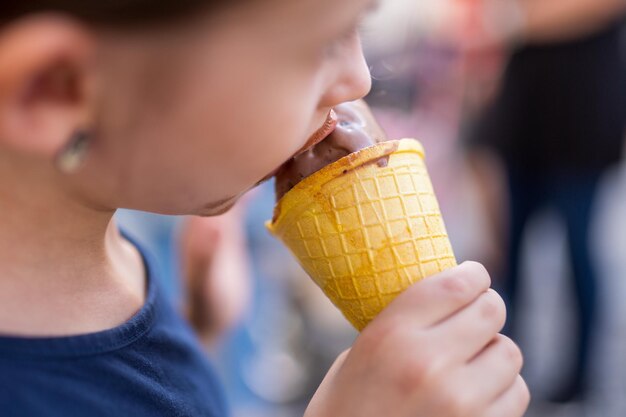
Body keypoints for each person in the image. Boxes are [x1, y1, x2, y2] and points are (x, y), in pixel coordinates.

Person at [0, 1, 529, 416]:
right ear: (55, 89)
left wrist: (200, 333)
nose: (360, 80)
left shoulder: (111, 251)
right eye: (324, 42)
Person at [466, 0, 626, 403]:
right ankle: (503, 360)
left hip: (581, 116)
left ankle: (579, 376)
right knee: (508, 248)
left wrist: (517, 21)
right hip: (525, 112)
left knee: (577, 248)